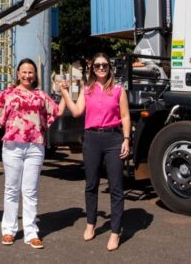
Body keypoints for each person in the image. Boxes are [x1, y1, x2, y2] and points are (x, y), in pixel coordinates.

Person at [59, 52, 130, 252]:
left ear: (109, 68)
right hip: (91, 139)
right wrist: (65, 93)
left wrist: (126, 139)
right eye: (97, 65)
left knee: (116, 187)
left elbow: (125, 116)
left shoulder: (118, 90)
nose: (101, 68)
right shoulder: (87, 90)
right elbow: (76, 112)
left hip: (113, 139)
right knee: (91, 185)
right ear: (92, 68)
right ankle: (91, 224)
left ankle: (115, 232)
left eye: (104, 65)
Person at [0, 58, 64, 249]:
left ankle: (31, 232)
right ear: (18, 74)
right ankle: (8, 230)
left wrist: (65, 94)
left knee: (30, 191)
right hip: (12, 146)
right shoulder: (8, 93)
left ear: (35, 76)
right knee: (11, 189)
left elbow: (56, 111)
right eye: (24, 72)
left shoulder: (41, 95)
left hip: (35, 147)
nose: (27, 75)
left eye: (30, 72)